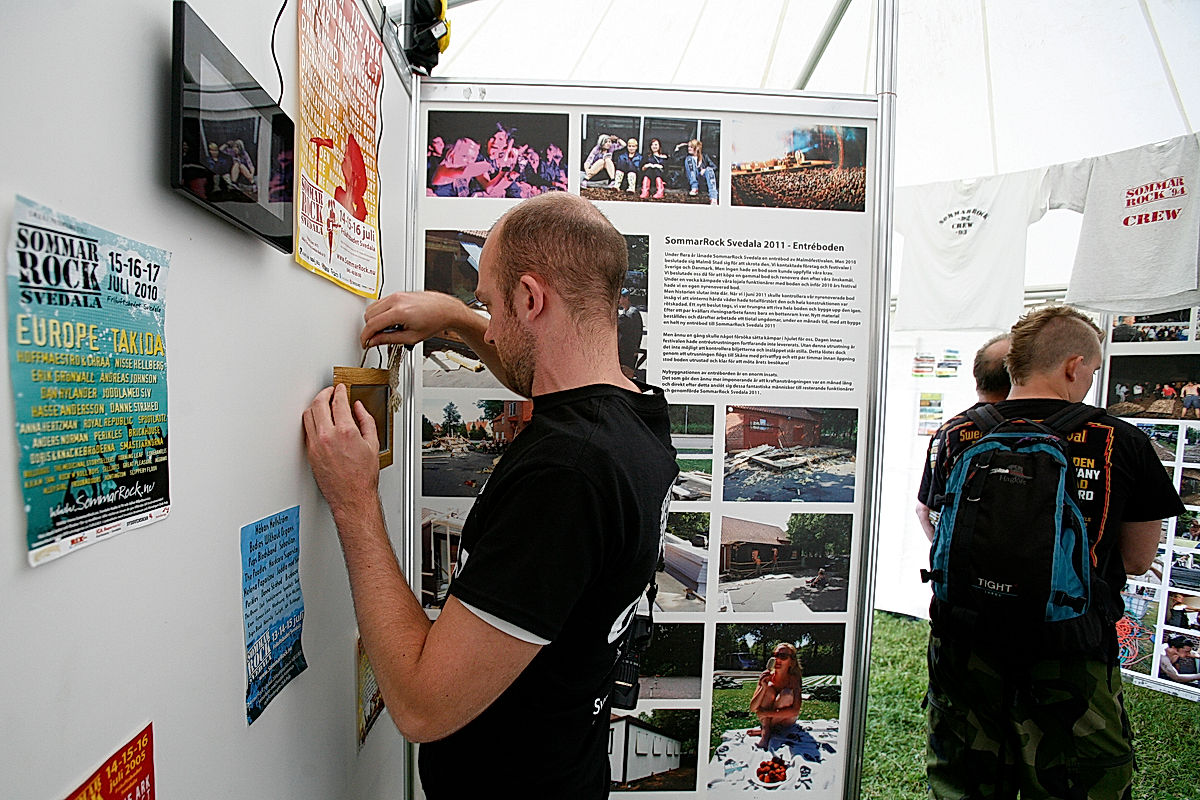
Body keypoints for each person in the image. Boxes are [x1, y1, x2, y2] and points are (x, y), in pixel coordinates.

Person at [302, 193, 678, 798]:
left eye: (492, 305)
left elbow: (422, 707)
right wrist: (456, 318)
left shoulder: (567, 475)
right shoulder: (636, 420)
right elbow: (536, 371)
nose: (492, 328)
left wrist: (354, 498)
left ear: (532, 299)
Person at [919, 305, 1184, 799]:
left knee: (964, 782)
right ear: (1072, 366)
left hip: (964, 641)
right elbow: (1135, 560)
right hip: (1069, 650)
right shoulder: (1120, 440)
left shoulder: (954, 434)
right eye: (1093, 369)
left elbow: (936, 520)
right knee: (1080, 784)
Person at [915, 333, 1012, 539]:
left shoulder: (949, 432)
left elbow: (924, 510)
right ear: (1019, 377)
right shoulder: (1034, 431)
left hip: (959, 559)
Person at [748, 642, 803, 749]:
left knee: (786, 694)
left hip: (786, 719)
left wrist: (767, 714)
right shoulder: (767, 677)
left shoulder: (794, 680)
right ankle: (767, 732)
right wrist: (762, 686)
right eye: (775, 655)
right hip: (769, 717)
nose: (777, 659)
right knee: (768, 689)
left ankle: (765, 730)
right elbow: (753, 708)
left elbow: (795, 711)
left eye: (783, 656)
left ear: (791, 662)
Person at [681, 138, 718, 204]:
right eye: (688, 147)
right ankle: (694, 187)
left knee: (709, 169)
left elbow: (714, 167)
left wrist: (705, 169)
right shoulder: (687, 157)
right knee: (689, 159)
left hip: (702, 179)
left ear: (697, 148)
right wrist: (678, 148)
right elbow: (675, 159)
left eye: (691, 147)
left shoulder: (704, 156)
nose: (689, 148)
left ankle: (713, 197)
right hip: (692, 181)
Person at [616, 288, 643, 378]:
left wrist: (635, 349)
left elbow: (636, 332)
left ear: (626, 298)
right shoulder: (625, 311)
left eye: (620, 298)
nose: (618, 300)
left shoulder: (632, 313)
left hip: (630, 351)